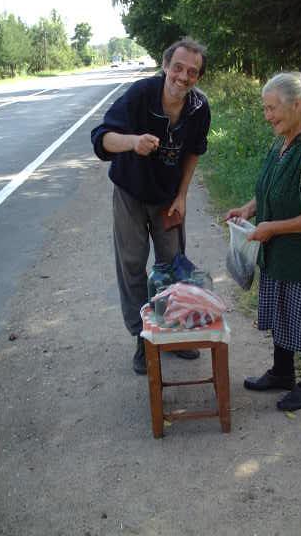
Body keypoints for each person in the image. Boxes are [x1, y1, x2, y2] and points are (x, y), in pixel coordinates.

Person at [225, 71, 301, 411]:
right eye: (265, 109)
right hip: (281, 251)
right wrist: (249, 208)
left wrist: (272, 228)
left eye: (272, 108)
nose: (268, 116)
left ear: (297, 104)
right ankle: (281, 373)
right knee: (282, 308)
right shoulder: (282, 140)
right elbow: (270, 186)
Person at [91, 37, 210, 375]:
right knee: (131, 264)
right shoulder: (141, 94)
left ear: (198, 77)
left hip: (167, 198)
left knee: (173, 266)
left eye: (192, 72)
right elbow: (101, 138)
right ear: (165, 66)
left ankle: (174, 333)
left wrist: (183, 195)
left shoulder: (199, 108)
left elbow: (193, 152)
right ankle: (143, 338)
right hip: (130, 192)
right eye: (178, 68)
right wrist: (133, 142)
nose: (183, 77)